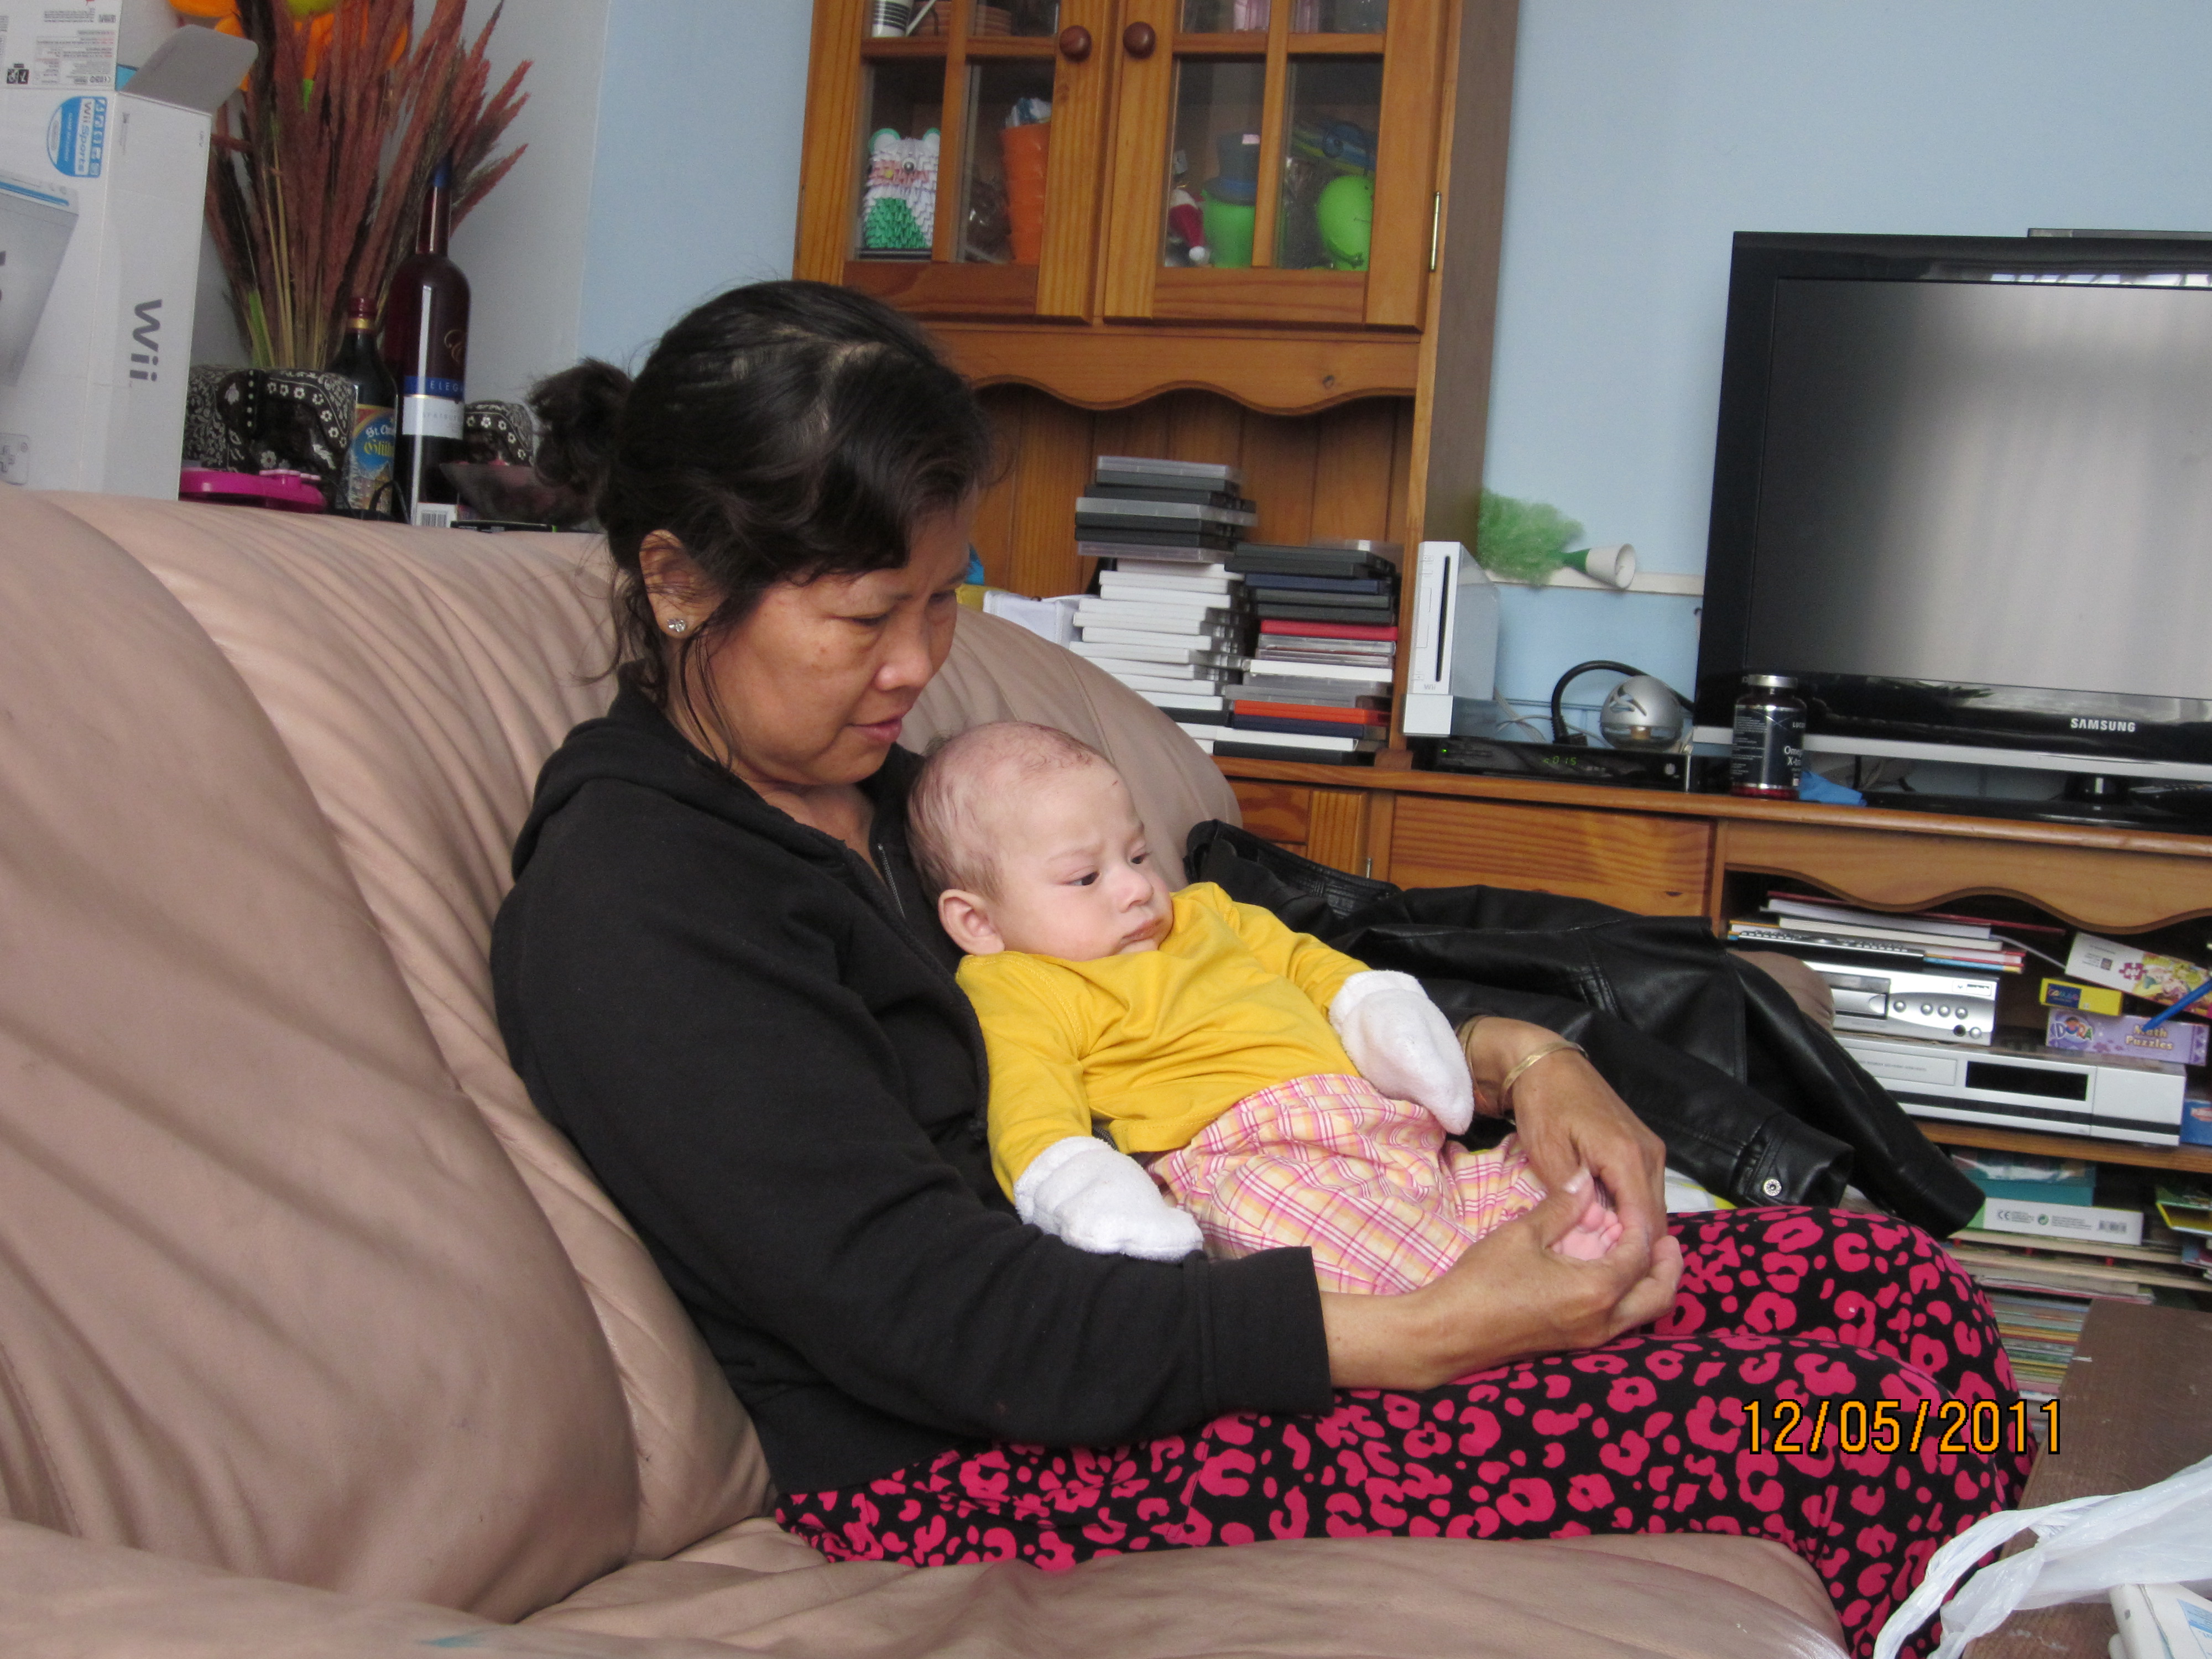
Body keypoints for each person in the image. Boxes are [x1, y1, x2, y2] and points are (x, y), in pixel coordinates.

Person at [494, 279, 2030, 1659]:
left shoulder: (906, 805)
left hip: (1234, 1296)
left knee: (1903, 1293)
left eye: (940, 599)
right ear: (677, 581)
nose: (916, 663)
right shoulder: (639, 902)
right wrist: (1429, 1334)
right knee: (1862, 1425)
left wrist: (1526, 1061)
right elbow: (934, 1316)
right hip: (994, 1459)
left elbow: (1235, 975)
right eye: (861, 617)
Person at [907, 719, 1623, 1288]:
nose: (1135, 888)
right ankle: (1493, 1284)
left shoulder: (1208, 913)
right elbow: (1030, 1103)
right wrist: (1080, 1185)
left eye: (1138, 856)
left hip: (1381, 1127)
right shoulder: (1019, 982)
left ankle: (1543, 1235)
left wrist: (1377, 1006)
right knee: (1285, 1225)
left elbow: (1309, 963)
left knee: (1530, 1172)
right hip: (1241, 1157)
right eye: (1085, 878)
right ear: (979, 922)